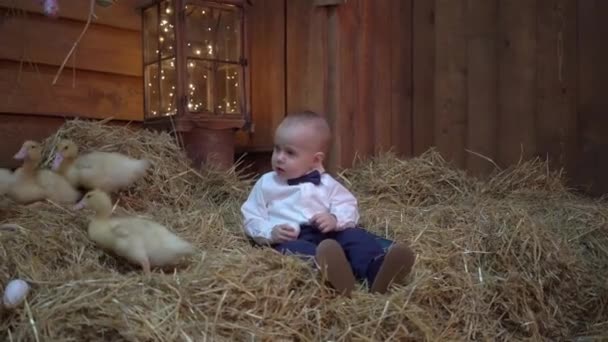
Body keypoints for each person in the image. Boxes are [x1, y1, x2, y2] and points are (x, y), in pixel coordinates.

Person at [240, 111, 416, 296]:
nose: (279, 157)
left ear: (315, 160)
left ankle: (377, 270)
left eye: (290, 152)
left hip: (328, 233)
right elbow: (252, 215)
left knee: (356, 237)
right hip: (292, 237)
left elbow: (348, 205)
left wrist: (335, 219)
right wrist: (271, 232)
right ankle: (335, 275)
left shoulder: (327, 183)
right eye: (277, 149)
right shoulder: (267, 183)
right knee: (298, 252)